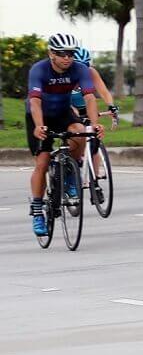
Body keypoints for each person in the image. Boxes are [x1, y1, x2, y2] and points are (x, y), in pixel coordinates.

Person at [25, 33, 101, 239]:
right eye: (62, 54)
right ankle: (38, 209)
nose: (67, 58)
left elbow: (89, 97)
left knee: (80, 132)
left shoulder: (80, 69)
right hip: (39, 115)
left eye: (71, 54)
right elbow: (35, 102)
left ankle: (69, 173)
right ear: (51, 53)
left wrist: (94, 125)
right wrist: (39, 126)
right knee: (42, 162)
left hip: (62, 112)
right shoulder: (39, 70)